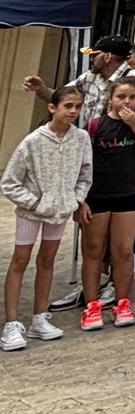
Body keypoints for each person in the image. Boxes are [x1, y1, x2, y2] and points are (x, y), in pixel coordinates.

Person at [2, 86, 90, 351]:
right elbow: (10, 182)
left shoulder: (81, 138)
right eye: (68, 106)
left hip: (59, 212)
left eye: (77, 106)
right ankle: (11, 323)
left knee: (47, 260)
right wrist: (35, 202)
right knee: (20, 259)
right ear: (53, 107)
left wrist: (75, 199)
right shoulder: (33, 141)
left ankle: (40, 317)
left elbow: (86, 174)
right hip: (32, 212)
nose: (73, 111)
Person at [81, 77, 135, 331]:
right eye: (121, 97)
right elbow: (83, 163)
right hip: (97, 195)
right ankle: (91, 304)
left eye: (132, 97)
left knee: (123, 251)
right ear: (110, 98)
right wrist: (79, 199)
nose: (126, 102)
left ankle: (122, 300)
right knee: (94, 249)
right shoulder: (95, 125)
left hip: (127, 195)